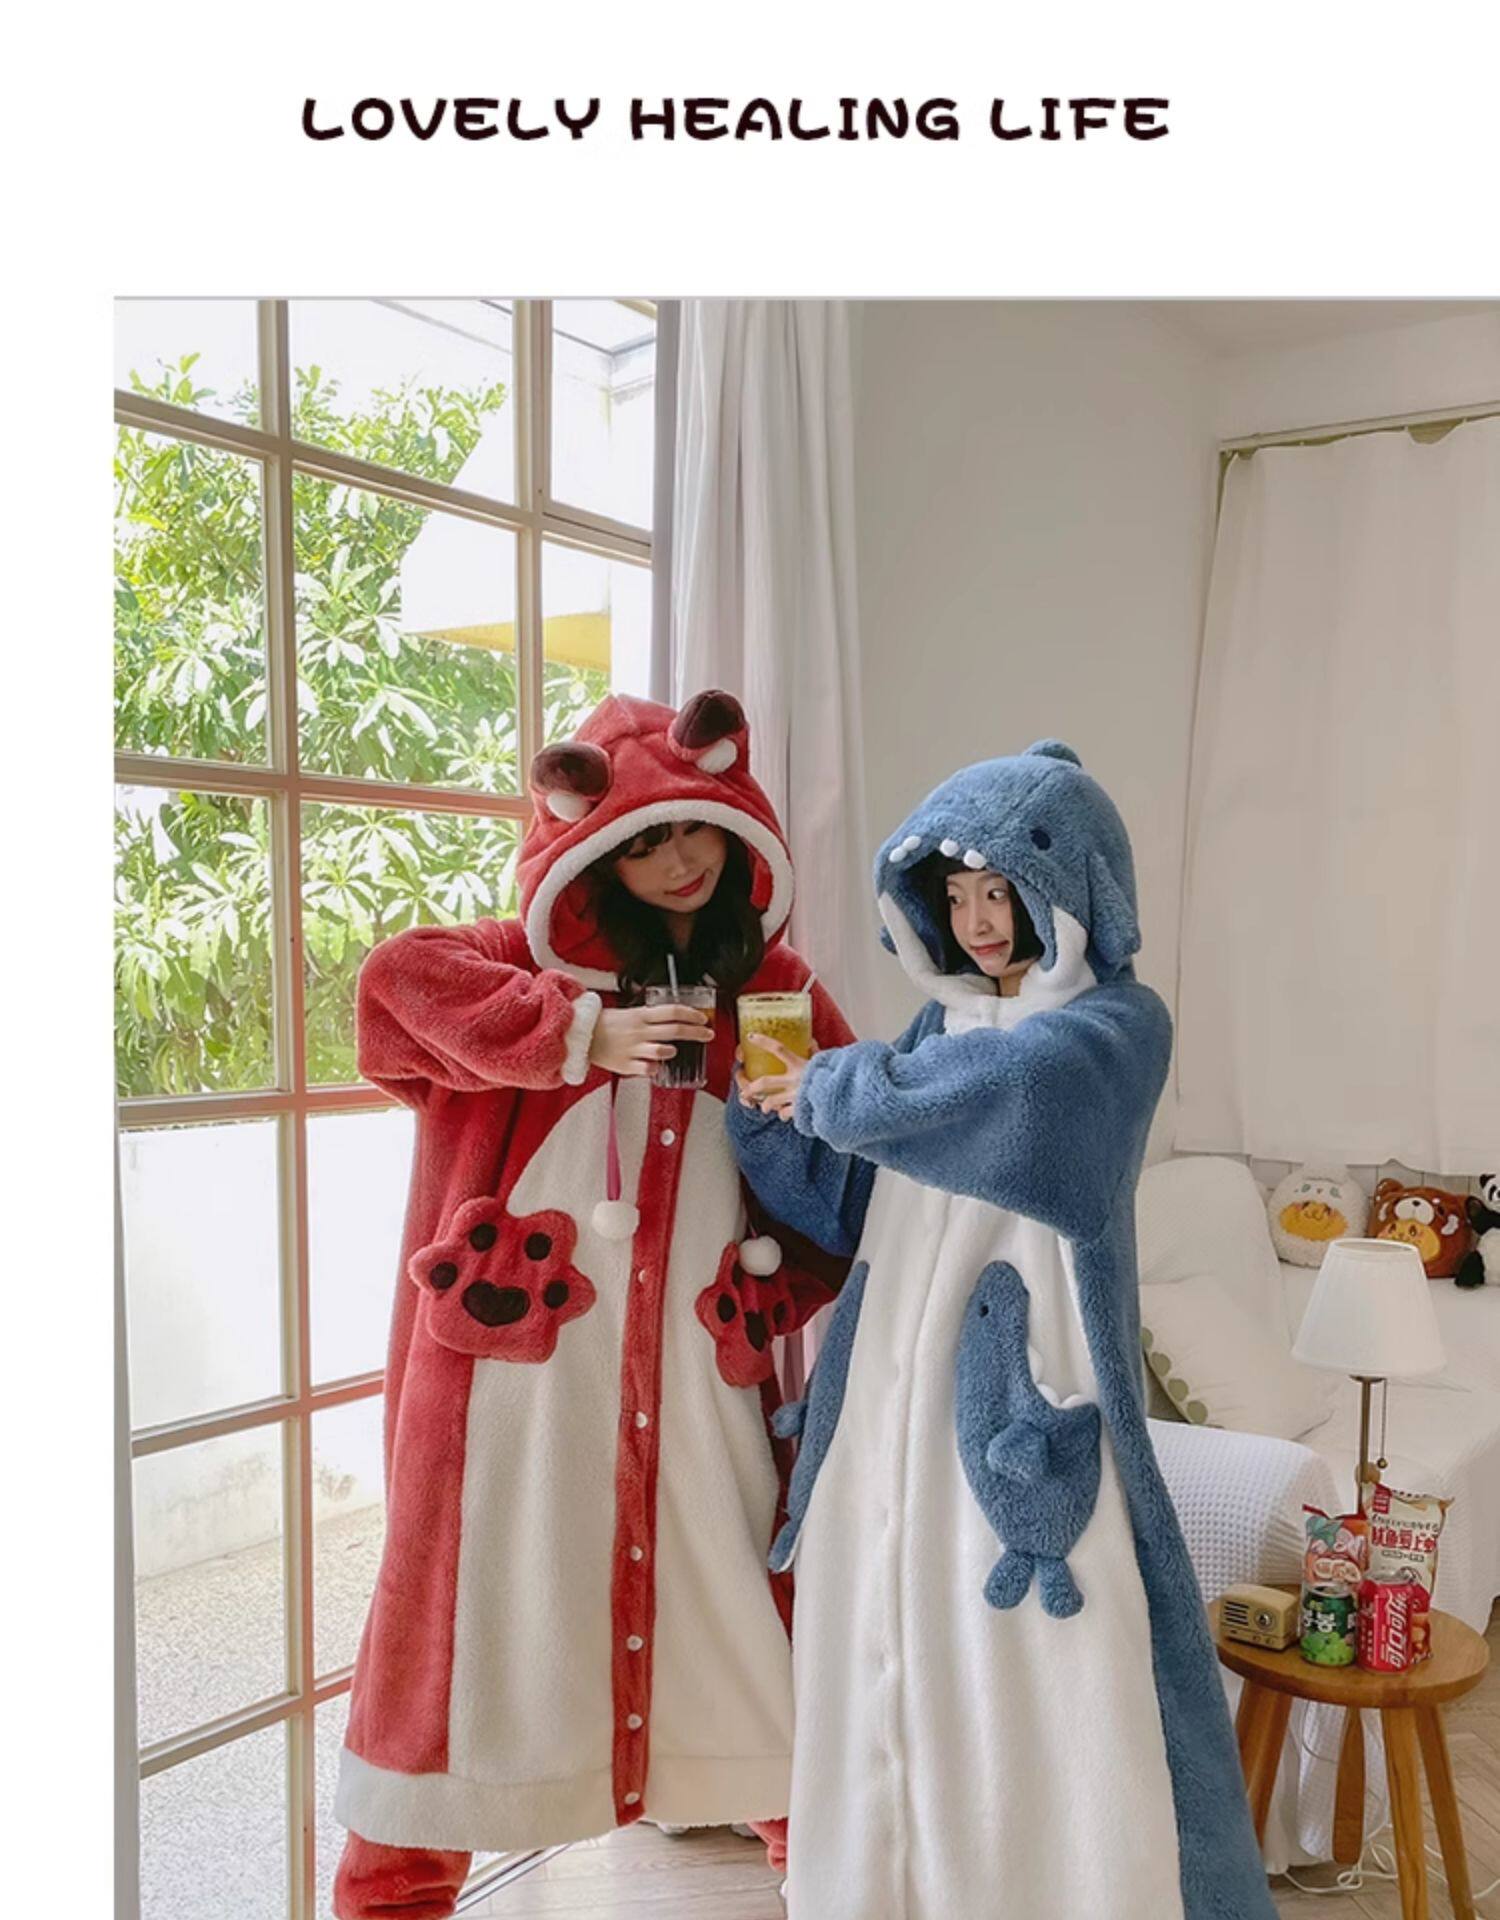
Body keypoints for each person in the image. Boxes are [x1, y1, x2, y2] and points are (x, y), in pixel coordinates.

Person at [729, 740, 1276, 1920]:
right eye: (957, 896)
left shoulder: (1115, 1027)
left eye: (1001, 892)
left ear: (1063, 892)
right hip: (890, 1399)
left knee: (1031, 1667)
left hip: (1022, 1385)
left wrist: (833, 1088)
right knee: (886, 1633)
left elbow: (1023, 1106)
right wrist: (774, 1115)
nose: (978, 923)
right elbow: (863, 1197)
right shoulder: (935, 1032)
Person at [333, 690, 851, 1920]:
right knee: (463, 1648)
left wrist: (773, 1285)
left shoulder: (771, 989)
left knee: (743, 1633)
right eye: (643, 842)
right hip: (512, 1396)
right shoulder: (522, 969)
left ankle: (835, 1881)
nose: (678, 863)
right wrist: (582, 1037)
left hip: (697, 1387)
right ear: (594, 855)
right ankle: (390, 1898)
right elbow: (393, 984)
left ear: (736, 830)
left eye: (697, 832)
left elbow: (842, 1177)